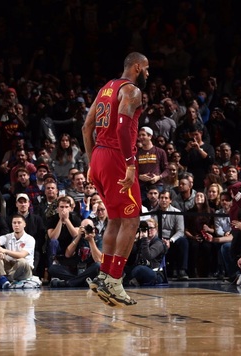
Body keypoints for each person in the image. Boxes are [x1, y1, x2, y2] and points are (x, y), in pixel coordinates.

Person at [82, 52, 149, 307]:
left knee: (116, 220)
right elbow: (122, 128)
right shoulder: (131, 90)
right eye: (146, 69)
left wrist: (91, 163)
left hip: (99, 156)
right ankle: (115, 280)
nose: (147, 74)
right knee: (131, 222)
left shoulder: (105, 88)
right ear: (136, 67)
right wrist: (131, 163)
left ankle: (103, 276)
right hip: (117, 158)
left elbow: (86, 127)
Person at [48, 218, 103, 288]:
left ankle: (68, 283)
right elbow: (68, 254)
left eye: (89, 228)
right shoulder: (78, 238)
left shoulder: (99, 239)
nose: (86, 230)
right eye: (84, 228)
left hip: (90, 270)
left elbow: (98, 260)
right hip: (76, 270)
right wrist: (78, 236)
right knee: (53, 268)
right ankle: (82, 281)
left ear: (94, 229)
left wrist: (91, 240)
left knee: (98, 266)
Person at [0, 214, 35, 289]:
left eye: (19, 223)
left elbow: (22, 255)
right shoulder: (8, 236)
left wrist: (4, 251)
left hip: (24, 269)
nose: (16, 225)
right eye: (14, 223)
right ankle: (2, 278)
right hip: (10, 266)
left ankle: (2, 281)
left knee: (22, 261)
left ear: (24, 224)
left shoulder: (30, 239)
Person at [125, 219, 167, 286]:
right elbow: (130, 253)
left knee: (139, 269)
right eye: (145, 228)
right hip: (141, 269)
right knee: (124, 267)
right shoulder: (141, 241)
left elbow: (149, 256)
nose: (148, 230)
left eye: (150, 228)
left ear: (156, 229)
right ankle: (130, 280)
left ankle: (128, 280)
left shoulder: (158, 243)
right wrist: (134, 239)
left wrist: (144, 239)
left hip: (155, 273)